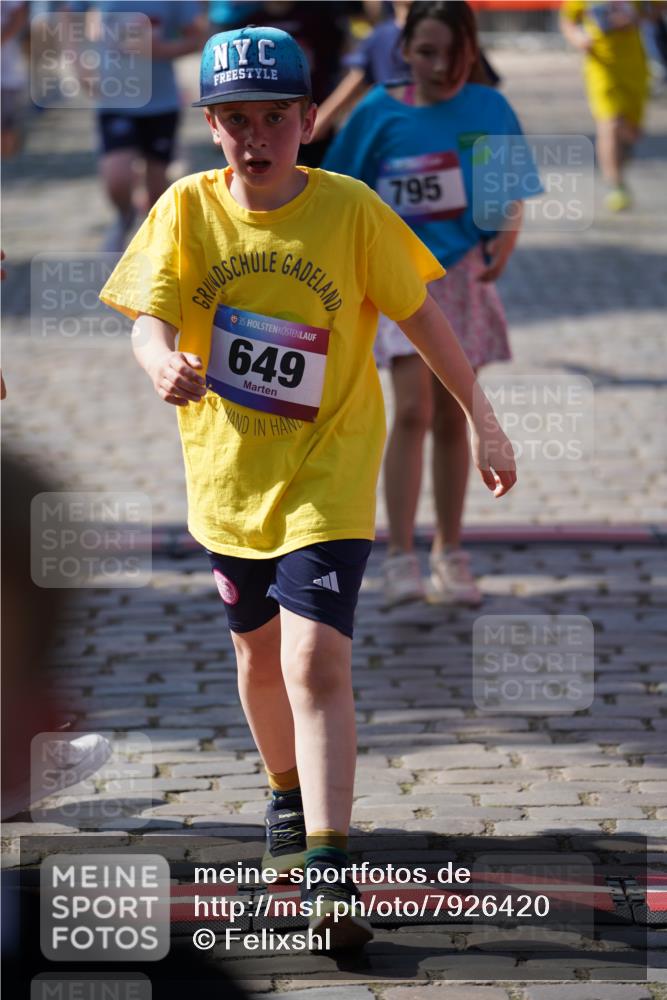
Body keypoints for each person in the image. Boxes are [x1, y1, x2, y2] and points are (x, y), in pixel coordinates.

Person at [100, 24, 516, 951]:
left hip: (329, 470)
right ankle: (285, 801)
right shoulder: (186, 209)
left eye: (273, 119)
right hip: (227, 478)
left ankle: (329, 870)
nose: (255, 138)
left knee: (311, 661)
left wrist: (481, 416)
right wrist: (158, 360)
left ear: (304, 118)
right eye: (235, 120)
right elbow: (145, 318)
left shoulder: (350, 210)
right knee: (256, 660)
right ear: (211, 125)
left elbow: (426, 317)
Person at [323, 0, 536, 609]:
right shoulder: (378, 111)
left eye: (455, 53)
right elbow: (341, 192)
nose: (440, 66)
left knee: (454, 418)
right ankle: (397, 555)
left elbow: (508, 189)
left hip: (463, 277)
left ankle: (450, 550)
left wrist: (506, 242)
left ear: (473, 50)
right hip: (397, 284)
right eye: (425, 52)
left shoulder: (488, 107)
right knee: (411, 411)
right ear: (403, 51)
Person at [64, 1, 206, 251]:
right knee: (116, 178)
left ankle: (150, 251)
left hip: (161, 103)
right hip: (114, 100)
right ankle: (124, 216)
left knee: (155, 194)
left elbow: (197, 39)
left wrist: (158, 50)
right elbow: (67, 15)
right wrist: (77, 63)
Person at [560, 0, 650, 212]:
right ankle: (615, 185)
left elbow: (657, 8)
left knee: (631, 131)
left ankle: (623, 148)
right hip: (601, 68)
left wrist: (636, 18)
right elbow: (567, 21)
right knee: (609, 124)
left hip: (634, 68)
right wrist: (578, 39)